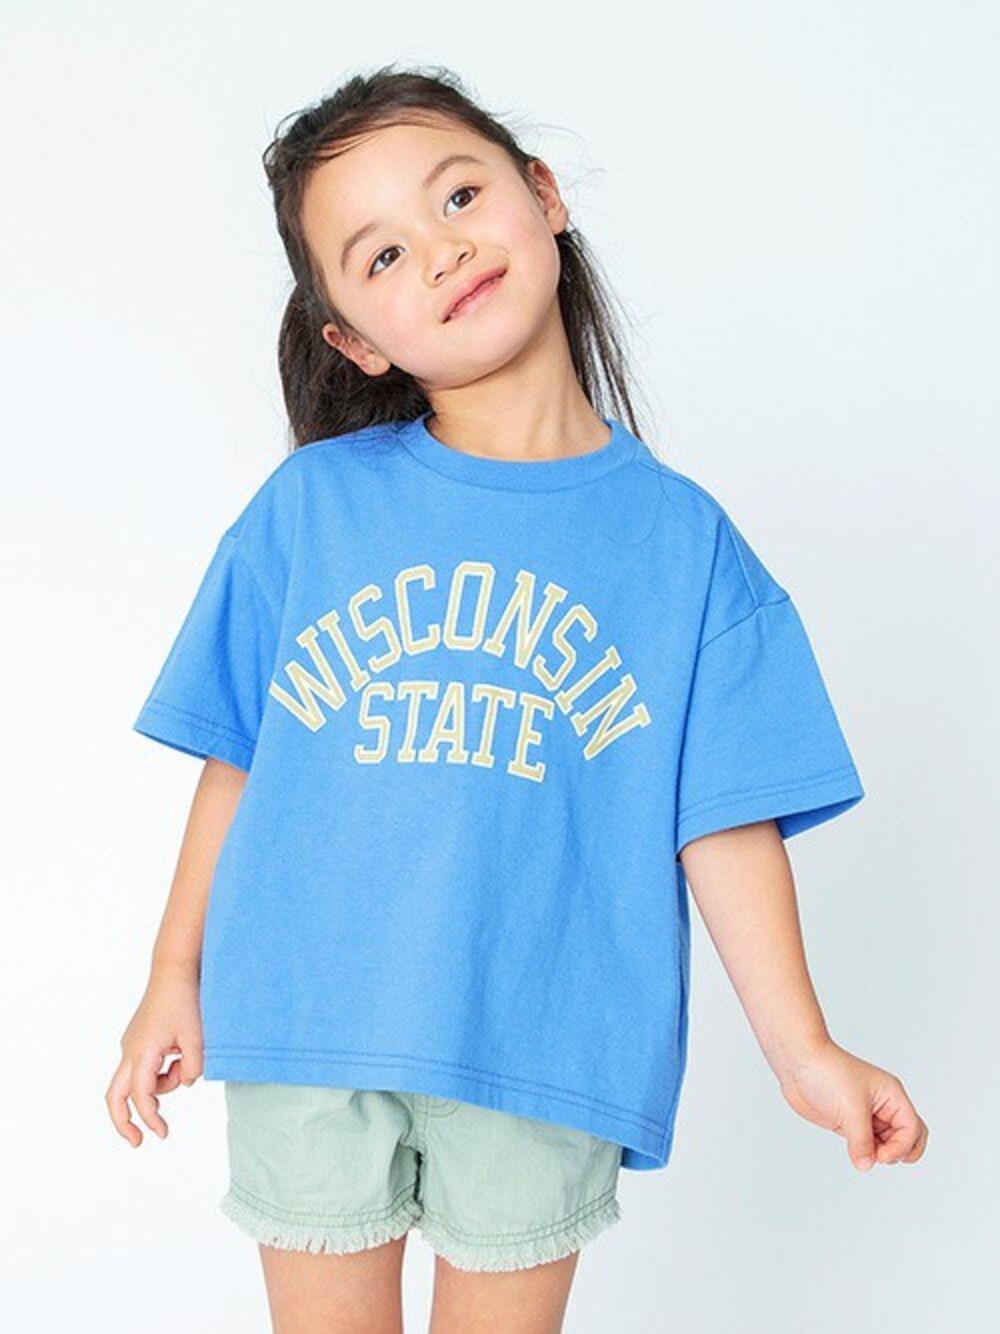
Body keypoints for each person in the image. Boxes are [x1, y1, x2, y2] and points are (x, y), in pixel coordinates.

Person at [107, 62, 928, 1333]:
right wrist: (172, 971)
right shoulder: (311, 509)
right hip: (310, 1016)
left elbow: (722, 820)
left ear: (542, 195)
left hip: (547, 1030)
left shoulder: (683, 546)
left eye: (458, 196)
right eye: (382, 255)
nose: (439, 251)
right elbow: (240, 754)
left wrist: (802, 1050)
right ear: (353, 338)